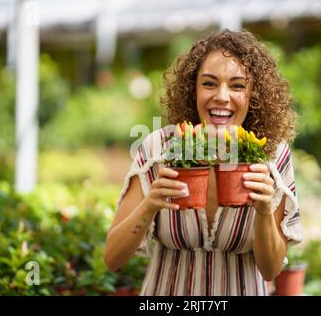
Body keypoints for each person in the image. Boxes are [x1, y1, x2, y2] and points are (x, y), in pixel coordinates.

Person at [104, 29, 303, 296]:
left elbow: (271, 270)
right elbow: (113, 258)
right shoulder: (158, 149)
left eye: (237, 85)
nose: (222, 96)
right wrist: (149, 204)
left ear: (253, 94)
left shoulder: (271, 156)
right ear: (192, 90)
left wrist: (265, 211)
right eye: (209, 83)